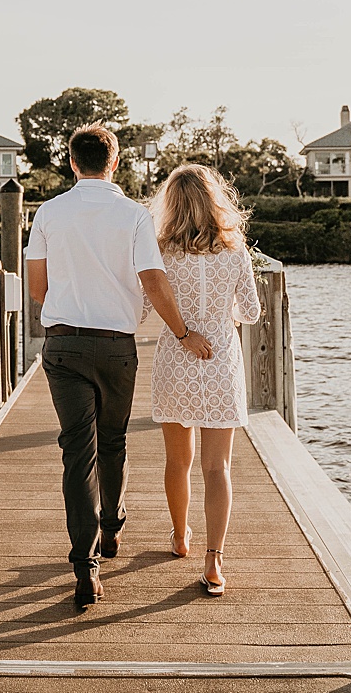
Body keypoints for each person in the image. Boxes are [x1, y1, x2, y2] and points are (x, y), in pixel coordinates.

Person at [25, 124, 203, 610]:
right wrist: (184, 334)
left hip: (63, 347)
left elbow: (37, 290)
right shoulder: (134, 216)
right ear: (115, 162)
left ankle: (85, 568)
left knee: (76, 453)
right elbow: (152, 280)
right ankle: (111, 526)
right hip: (116, 346)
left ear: (71, 162)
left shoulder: (48, 213)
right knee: (114, 439)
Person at [146, 163, 262, 597]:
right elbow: (249, 312)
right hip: (220, 363)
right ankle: (214, 561)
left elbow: (143, 308)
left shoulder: (159, 252)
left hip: (176, 360)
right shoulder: (235, 252)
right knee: (219, 466)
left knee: (178, 461)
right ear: (217, 202)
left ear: (171, 205)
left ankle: (180, 537)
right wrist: (221, 316)